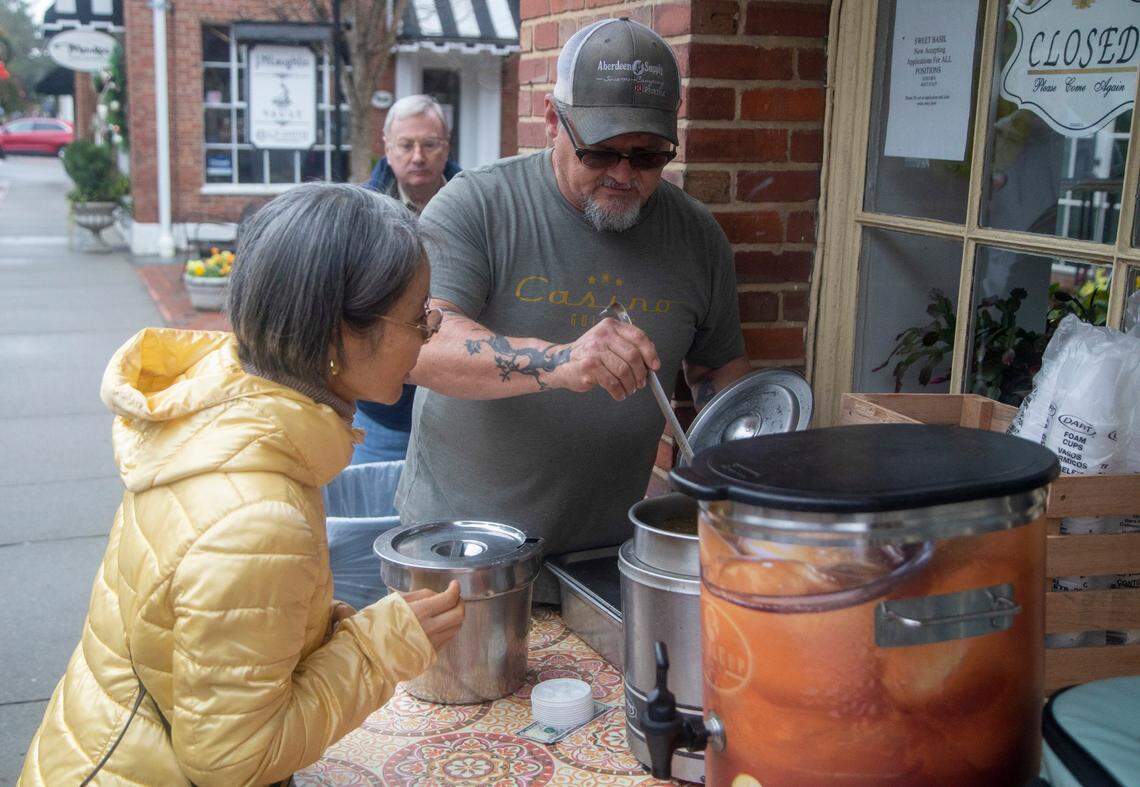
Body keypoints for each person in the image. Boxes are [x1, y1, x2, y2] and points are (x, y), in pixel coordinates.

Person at [19, 184, 463, 786]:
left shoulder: (229, 417)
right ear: (339, 335)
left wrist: (332, 630)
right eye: (418, 319)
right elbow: (234, 760)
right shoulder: (256, 516)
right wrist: (378, 649)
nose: (429, 334)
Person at [397, 18, 752, 596]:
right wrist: (561, 362)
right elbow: (418, 347)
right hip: (461, 558)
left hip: (605, 562)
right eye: (600, 152)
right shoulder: (477, 205)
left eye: (649, 156)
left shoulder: (697, 237)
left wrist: (745, 453)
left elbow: (717, 373)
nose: (624, 174)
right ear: (551, 122)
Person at [355, 94, 461, 464]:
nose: (418, 156)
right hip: (384, 415)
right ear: (387, 147)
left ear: (446, 146)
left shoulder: (478, 206)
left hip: (461, 410)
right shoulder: (359, 215)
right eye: (406, 145)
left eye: (430, 144)